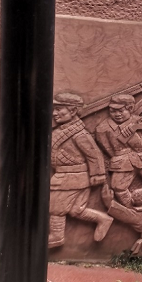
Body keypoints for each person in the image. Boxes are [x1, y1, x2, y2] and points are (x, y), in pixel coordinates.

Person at [49, 92, 113, 248]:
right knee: (76, 210)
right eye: (54, 109)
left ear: (72, 111)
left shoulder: (79, 134)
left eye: (59, 109)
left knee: (56, 208)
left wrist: (98, 175)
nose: (54, 113)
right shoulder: (61, 130)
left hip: (72, 177)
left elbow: (94, 155)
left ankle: (57, 236)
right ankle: (102, 219)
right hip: (67, 175)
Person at [95, 94, 142, 207]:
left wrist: (133, 130)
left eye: (121, 111)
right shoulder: (102, 129)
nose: (117, 114)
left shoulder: (141, 122)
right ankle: (131, 209)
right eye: (113, 111)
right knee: (117, 187)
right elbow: (108, 149)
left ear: (130, 109)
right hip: (121, 162)